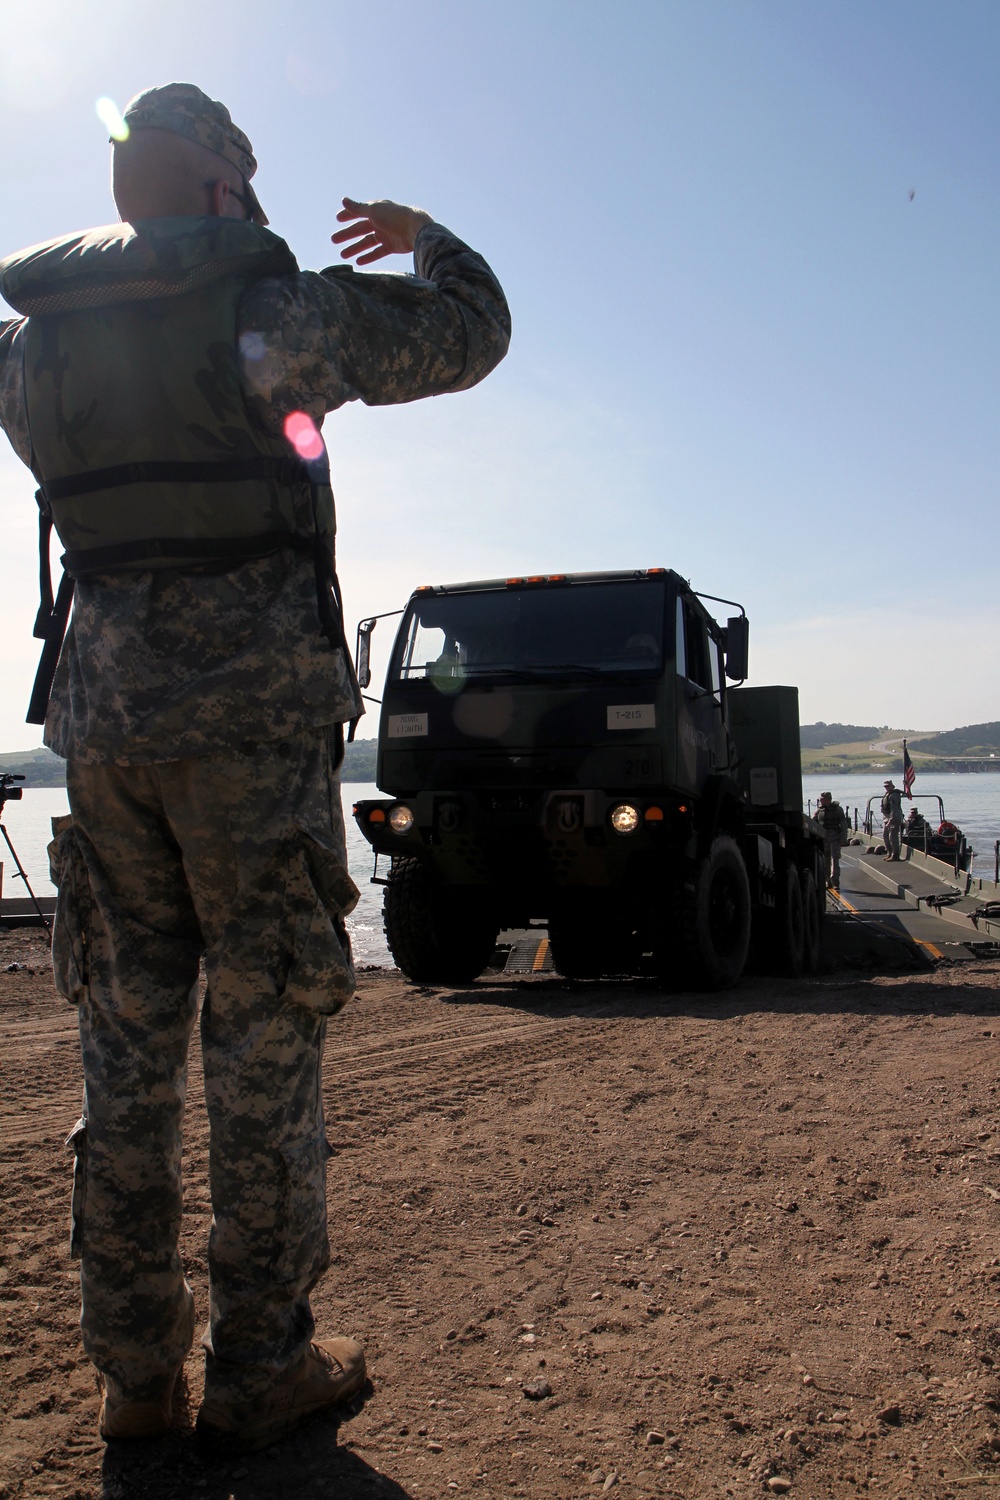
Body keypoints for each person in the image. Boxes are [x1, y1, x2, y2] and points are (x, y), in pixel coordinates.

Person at [0, 83, 510, 1452]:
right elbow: (475, 334)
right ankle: (262, 1367)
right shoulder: (275, 314)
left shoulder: (26, 349)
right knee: (266, 1039)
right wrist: (426, 235)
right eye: (250, 165)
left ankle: (132, 1383)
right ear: (222, 188)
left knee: (125, 1051)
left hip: (102, 728)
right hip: (251, 728)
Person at [815, 790, 848, 889]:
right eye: (820, 799)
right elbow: (814, 823)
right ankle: (827, 880)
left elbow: (843, 825)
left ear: (827, 799)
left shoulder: (838, 810)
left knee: (835, 859)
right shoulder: (819, 811)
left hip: (835, 838)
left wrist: (843, 838)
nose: (821, 801)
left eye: (822, 799)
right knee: (826, 860)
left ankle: (835, 881)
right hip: (824, 838)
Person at [881, 779, 905, 861]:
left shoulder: (893, 795)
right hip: (887, 818)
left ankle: (895, 855)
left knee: (893, 837)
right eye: (885, 786)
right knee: (885, 836)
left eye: (888, 786)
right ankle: (890, 853)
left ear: (892, 786)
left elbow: (894, 810)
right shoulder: (887, 794)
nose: (886, 788)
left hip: (893, 818)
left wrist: (890, 821)